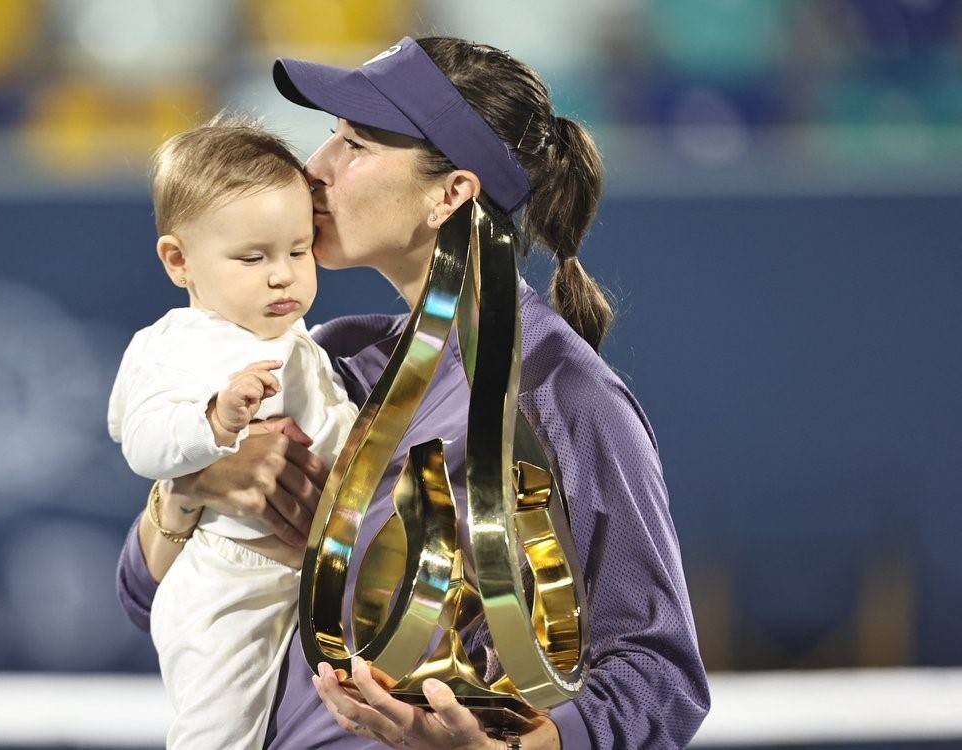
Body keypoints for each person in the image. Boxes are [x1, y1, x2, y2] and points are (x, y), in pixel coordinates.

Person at [116, 36, 710, 749]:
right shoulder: (330, 354)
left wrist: (499, 749)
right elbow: (142, 593)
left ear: (450, 193)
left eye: (354, 146)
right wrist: (191, 490)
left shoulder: (563, 391)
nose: (314, 170)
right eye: (329, 138)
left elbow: (659, 677)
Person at [107, 119, 360, 749]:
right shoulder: (174, 344)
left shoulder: (301, 342)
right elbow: (139, 439)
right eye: (252, 258)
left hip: (305, 581)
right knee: (218, 734)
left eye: (299, 251)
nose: (282, 276)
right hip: (228, 580)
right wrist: (215, 423)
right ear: (179, 261)